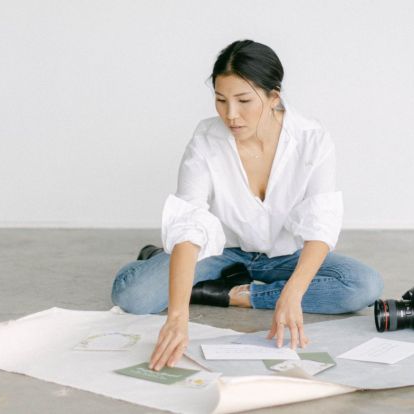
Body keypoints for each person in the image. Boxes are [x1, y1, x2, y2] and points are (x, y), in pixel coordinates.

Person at [111, 39, 384, 372]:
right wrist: (178, 316)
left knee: (363, 286)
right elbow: (190, 220)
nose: (231, 115)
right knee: (133, 295)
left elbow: (320, 224)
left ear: (273, 96)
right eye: (220, 100)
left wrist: (293, 293)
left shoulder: (312, 138)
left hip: (284, 255)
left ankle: (232, 294)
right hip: (222, 252)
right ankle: (163, 260)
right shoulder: (206, 139)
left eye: (243, 101)